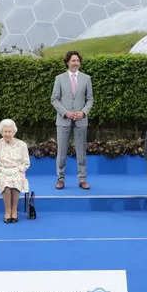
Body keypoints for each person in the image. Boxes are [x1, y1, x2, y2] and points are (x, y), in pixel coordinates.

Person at [50, 50, 94, 190]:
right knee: (61, 151)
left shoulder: (86, 78)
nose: (75, 63)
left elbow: (90, 99)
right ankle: (60, 179)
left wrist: (83, 112)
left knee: (81, 151)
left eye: (77, 61)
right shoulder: (59, 78)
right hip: (63, 121)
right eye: (73, 60)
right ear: (68, 62)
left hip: (81, 121)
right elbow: (54, 99)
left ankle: (82, 179)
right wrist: (66, 113)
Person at [0, 119, 30, 223]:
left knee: (16, 181)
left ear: (14, 132)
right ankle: (7, 211)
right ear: (1, 132)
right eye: (5, 132)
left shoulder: (22, 145)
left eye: (9, 131)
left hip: (17, 171)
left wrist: (17, 170)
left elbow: (26, 163)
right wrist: (1, 170)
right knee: (6, 184)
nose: (7, 134)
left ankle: (14, 210)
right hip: (2, 171)